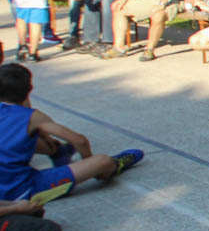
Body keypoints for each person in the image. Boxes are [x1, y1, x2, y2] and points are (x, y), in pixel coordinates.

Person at [0, 63, 144, 204]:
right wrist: (89, 162)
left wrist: (43, 135)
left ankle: (59, 152)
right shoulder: (32, 117)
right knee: (102, 161)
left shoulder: (25, 116)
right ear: (29, 90)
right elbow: (79, 140)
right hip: (21, 191)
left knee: (17, 136)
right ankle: (113, 165)